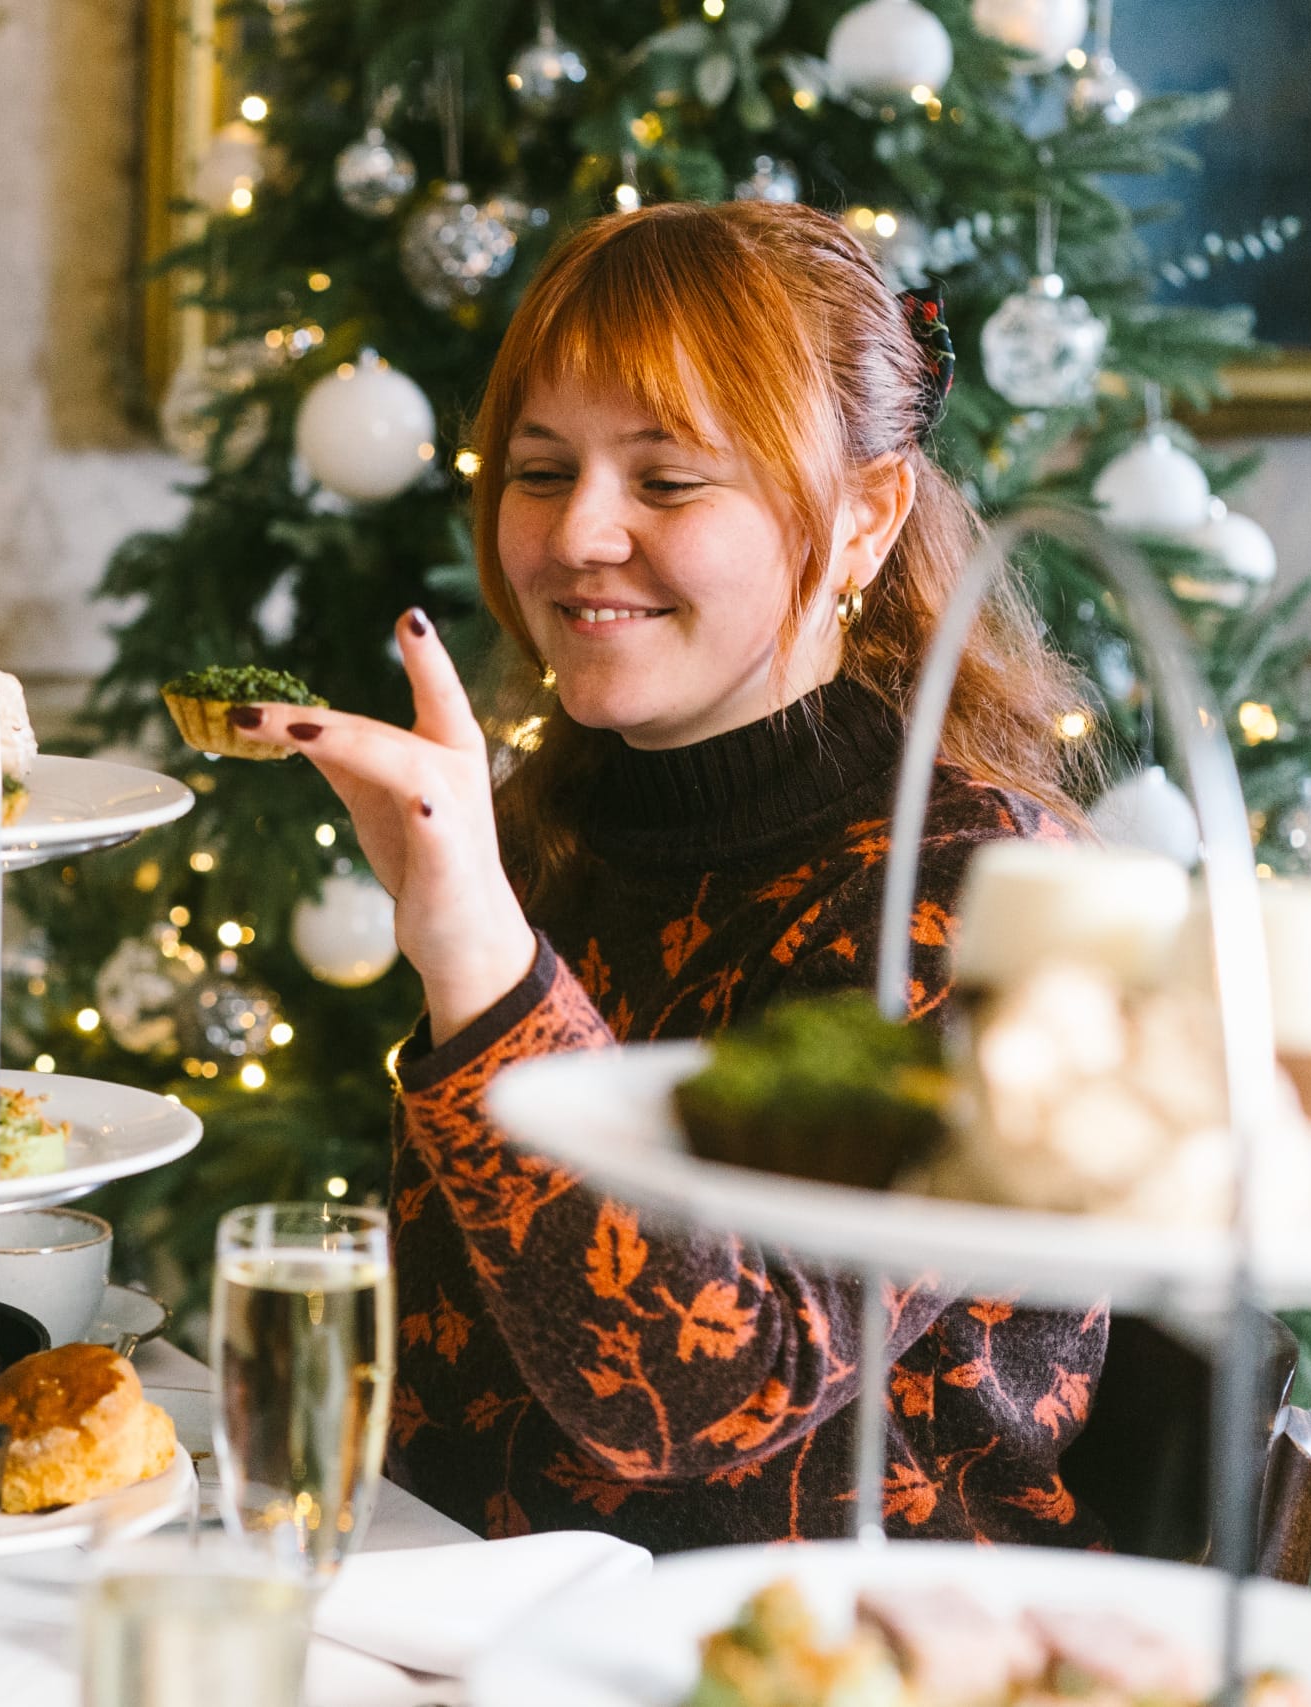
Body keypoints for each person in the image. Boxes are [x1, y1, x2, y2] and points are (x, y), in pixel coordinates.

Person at [227, 200, 1105, 1551]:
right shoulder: (553, 817)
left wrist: (482, 965)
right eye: (538, 468)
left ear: (867, 517)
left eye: (667, 479)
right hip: (469, 1631)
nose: (580, 534)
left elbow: (705, 1395)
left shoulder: (994, 893)